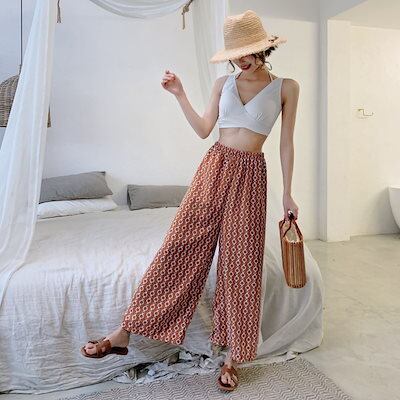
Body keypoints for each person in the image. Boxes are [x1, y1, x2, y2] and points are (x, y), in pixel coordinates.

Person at [81, 9, 300, 392]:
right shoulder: (223, 83)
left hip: (251, 177)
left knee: (242, 265)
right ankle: (124, 332)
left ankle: (233, 356)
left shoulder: (286, 87)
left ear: (263, 48)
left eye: (247, 52)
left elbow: (286, 143)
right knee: (178, 249)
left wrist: (288, 193)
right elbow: (203, 129)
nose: (241, 60)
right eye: (236, 54)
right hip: (214, 168)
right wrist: (180, 94)